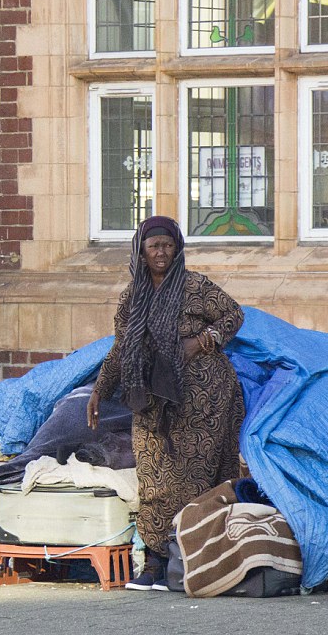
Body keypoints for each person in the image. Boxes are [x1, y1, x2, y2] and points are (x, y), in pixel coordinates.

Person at [86, 215, 245, 591]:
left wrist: (201, 341)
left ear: (177, 249)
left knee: (191, 480)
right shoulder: (133, 297)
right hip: (151, 398)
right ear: (141, 251)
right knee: (153, 478)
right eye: (154, 245)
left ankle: (186, 560)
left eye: (168, 245)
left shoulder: (194, 287)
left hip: (202, 398)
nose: (161, 252)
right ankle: (155, 563)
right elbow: (122, 349)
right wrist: (99, 390)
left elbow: (234, 315)